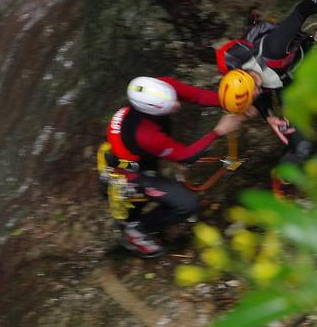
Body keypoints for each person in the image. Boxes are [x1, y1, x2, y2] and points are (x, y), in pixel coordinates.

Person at [102, 75, 249, 257]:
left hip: (135, 154)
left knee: (152, 182)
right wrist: (219, 130)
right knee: (187, 204)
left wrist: (233, 103)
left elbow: (197, 96)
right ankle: (136, 229)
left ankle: (135, 212)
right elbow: (186, 156)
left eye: (174, 99)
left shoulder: (161, 89)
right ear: (152, 111)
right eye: (170, 106)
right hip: (129, 172)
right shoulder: (146, 134)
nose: (177, 105)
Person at [215, 0, 317, 189]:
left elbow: (299, 12)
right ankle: (282, 176)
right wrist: (270, 118)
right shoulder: (242, 79)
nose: (253, 104)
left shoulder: (275, 48)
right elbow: (259, 99)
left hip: (293, 69)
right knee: (303, 146)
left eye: (252, 99)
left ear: (254, 87)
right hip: (286, 81)